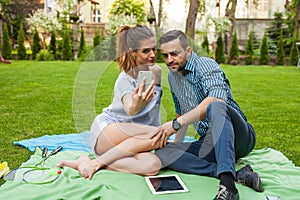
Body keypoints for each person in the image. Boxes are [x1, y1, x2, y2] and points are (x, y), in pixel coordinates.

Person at [154, 30, 263, 200]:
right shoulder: (172, 77)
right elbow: (181, 112)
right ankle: (238, 174)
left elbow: (216, 98)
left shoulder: (206, 65)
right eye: (165, 55)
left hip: (238, 135)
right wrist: (178, 147)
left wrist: (175, 124)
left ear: (188, 51)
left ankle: (228, 187)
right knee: (162, 151)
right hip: (209, 141)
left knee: (216, 105)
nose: (169, 60)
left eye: (174, 54)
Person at [57, 25, 164, 180]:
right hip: (108, 132)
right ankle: (96, 163)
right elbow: (130, 108)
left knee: (152, 166)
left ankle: (89, 162)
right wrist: (136, 105)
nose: (153, 54)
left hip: (137, 137)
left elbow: (155, 108)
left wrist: (154, 138)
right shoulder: (125, 80)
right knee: (157, 133)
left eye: (154, 49)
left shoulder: (155, 72)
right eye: (146, 51)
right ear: (132, 52)